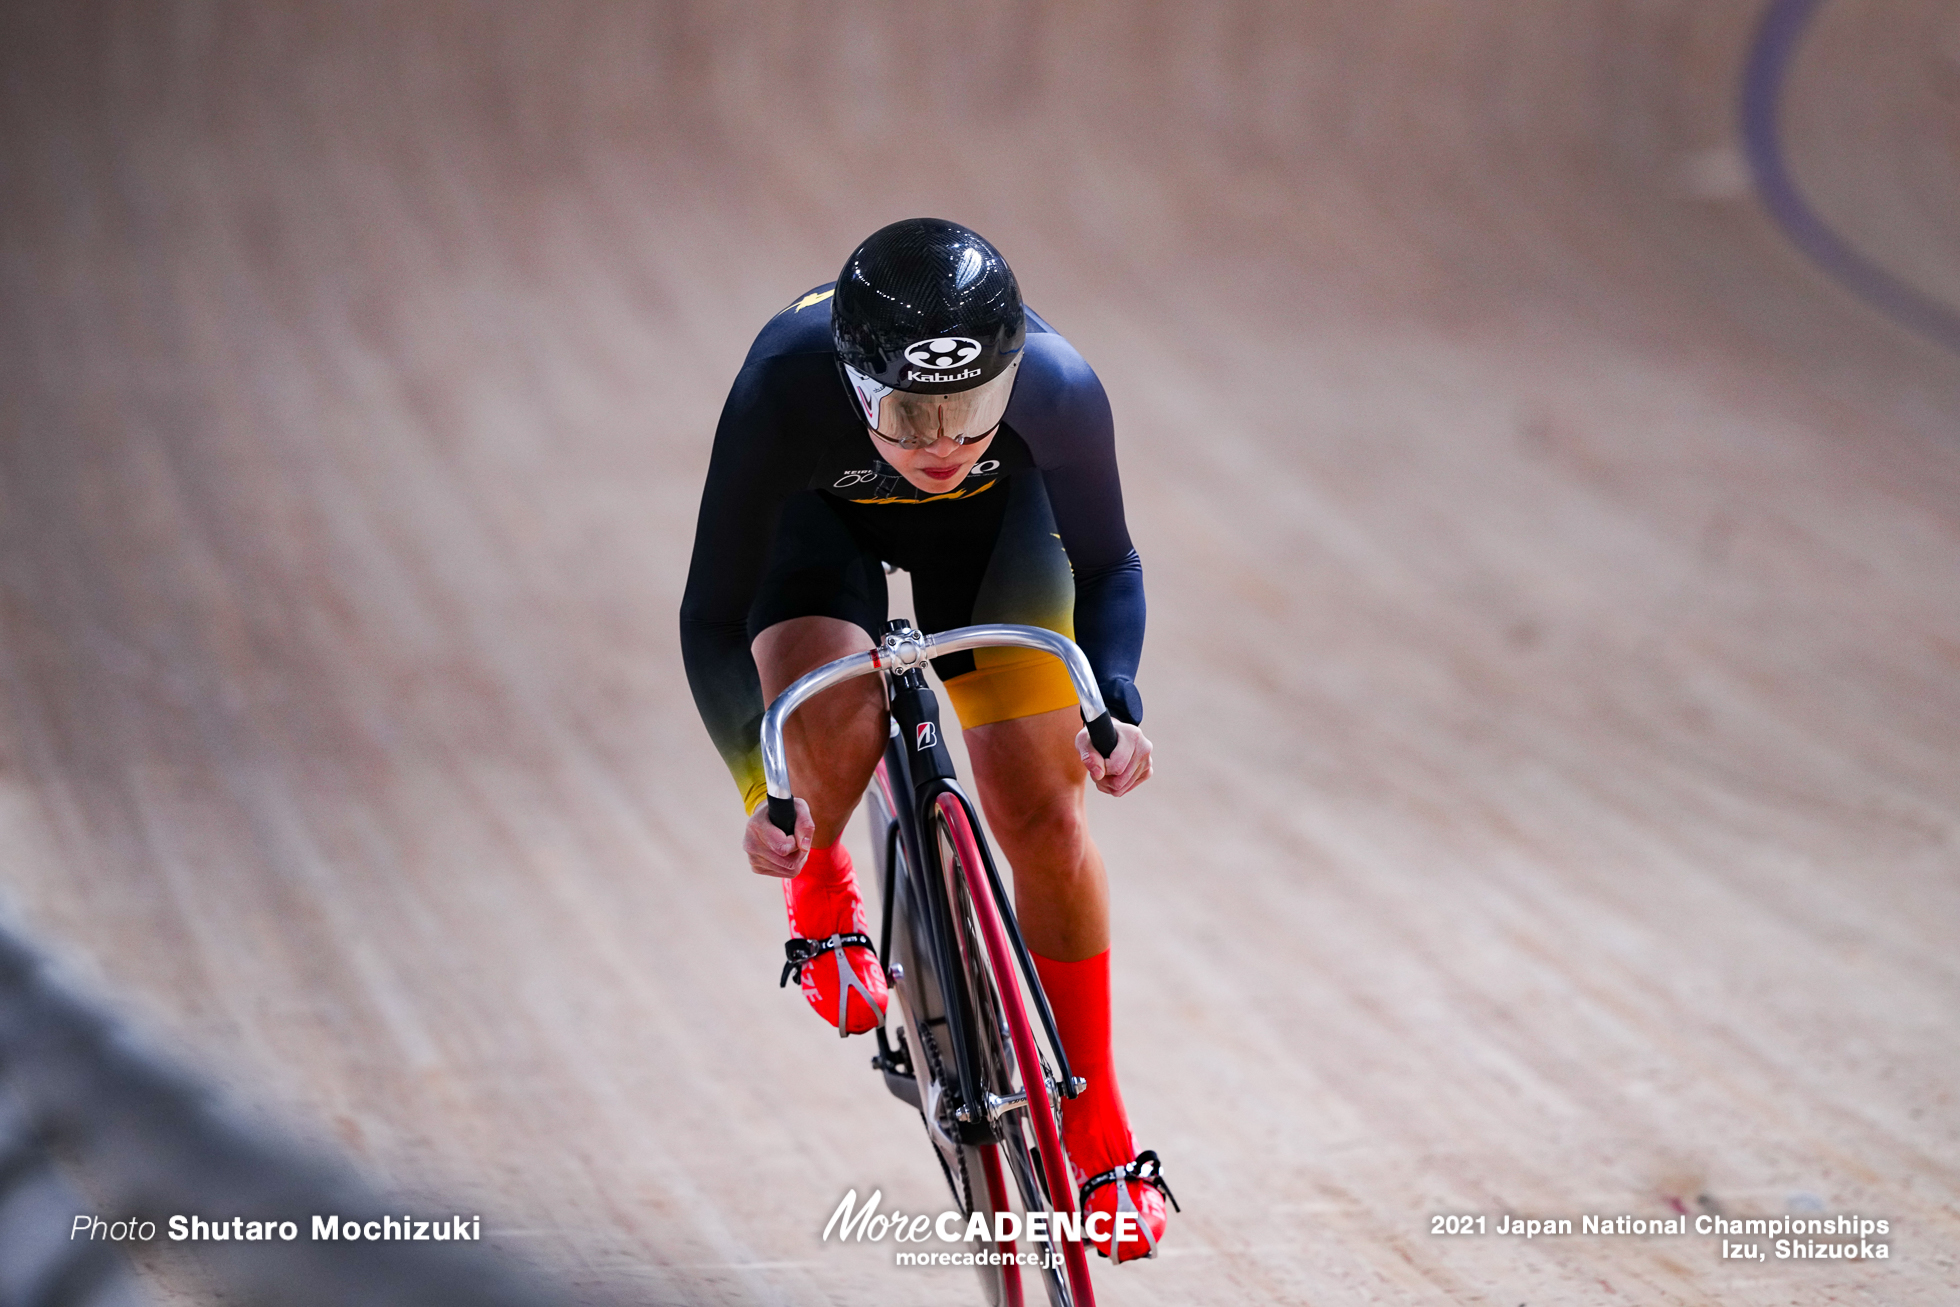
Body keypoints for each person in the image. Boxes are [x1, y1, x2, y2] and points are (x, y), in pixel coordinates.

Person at [679, 217, 1172, 1261]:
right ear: (855, 387)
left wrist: (1115, 699)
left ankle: (1097, 1120)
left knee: (1042, 806)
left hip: (990, 540)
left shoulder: (1059, 387)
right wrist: (758, 790)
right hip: (820, 532)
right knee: (836, 716)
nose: (942, 444)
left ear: (1011, 379)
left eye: (971, 410)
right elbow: (709, 619)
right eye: (908, 413)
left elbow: (1110, 566)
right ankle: (820, 886)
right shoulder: (780, 389)